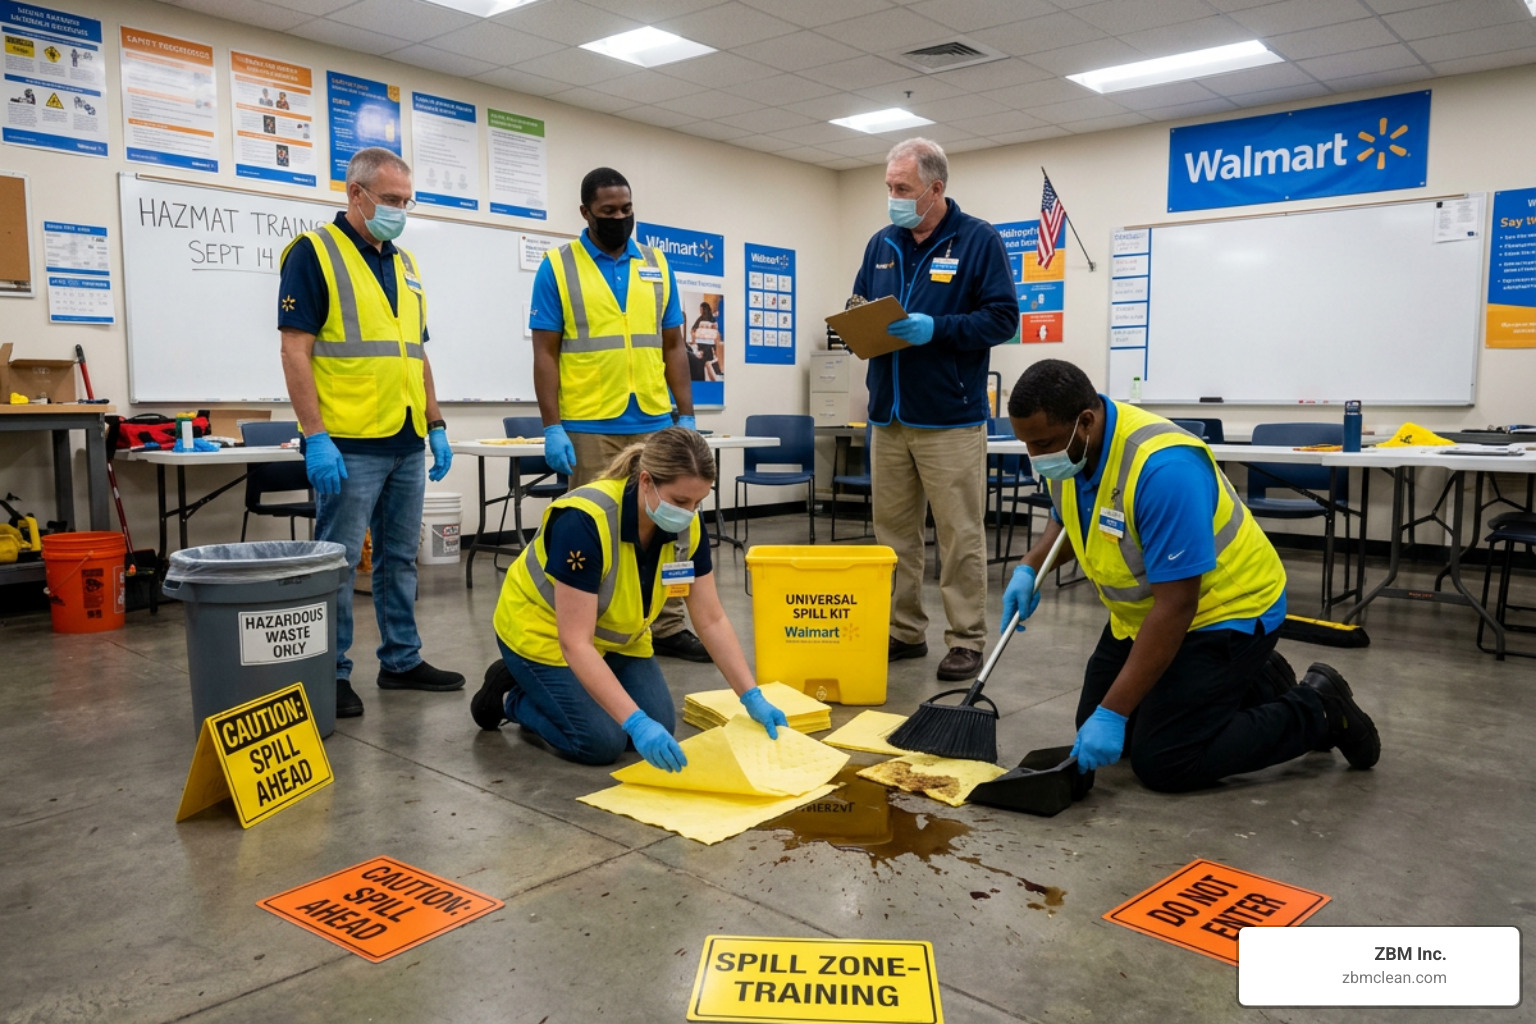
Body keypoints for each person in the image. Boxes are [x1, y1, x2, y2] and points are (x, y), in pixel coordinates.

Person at [1003, 359, 1380, 792]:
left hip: (1225, 610)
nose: (1036, 457)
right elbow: (1068, 518)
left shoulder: (1164, 470)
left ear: (1085, 421)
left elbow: (1178, 604)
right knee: (1113, 738)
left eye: (1043, 443)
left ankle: (1319, 708)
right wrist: (1030, 567)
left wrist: (1114, 712)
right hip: (1141, 616)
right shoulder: (1072, 449)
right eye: (1027, 445)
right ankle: (1256, 683)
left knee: (1165, 759)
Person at [472, 428, 787, 769]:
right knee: (601, 742)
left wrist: (751, 696)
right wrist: (635, 723)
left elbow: (711, 619)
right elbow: (575, 642)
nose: (689, 513)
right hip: (542, 635)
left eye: (699, 502)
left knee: (660, 727)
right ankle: (513, 696)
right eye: (681, 501)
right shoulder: (585, 521)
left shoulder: (686, 525)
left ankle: (557, 693)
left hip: (617, 640)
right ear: (647, 481)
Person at [278, 147, 464, 719]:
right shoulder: (313, 254)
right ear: (355, 195)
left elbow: (416, 352)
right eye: (390, 200)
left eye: (406, 201)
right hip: (349, 441)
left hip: (406, 437)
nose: (399, 211)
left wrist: (436, 423)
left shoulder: (405, 264)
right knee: (336, 561)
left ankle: (401, 660)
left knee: (399, 559)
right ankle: (328, 671)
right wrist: (315, 436)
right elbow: (294, 350)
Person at [852, 137, 1017, 683]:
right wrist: (857, 324)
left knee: (959, 534)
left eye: (903, 189)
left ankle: (967, 638)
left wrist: (936, 329)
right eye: (890, 188)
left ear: (936, 189)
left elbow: (1001, 319)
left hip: (950, 416)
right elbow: (859, 305)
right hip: (889, 416)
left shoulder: (978, 241)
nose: (893, 198)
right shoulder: (881, 243)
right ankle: (904, 631)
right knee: (892, 536)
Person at [530, 166, 708, 663]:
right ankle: (593, 628)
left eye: (626, 210)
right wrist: (552, 425)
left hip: (653, 417)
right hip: (589, 422)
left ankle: (668, 625)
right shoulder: (558, 267)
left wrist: (685, 416)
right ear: (585, 212)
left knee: (669, 529)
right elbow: (546, 353)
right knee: (596, 528)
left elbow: (674, 344)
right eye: (609, 212)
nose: (619, 218)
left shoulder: (655, 263)